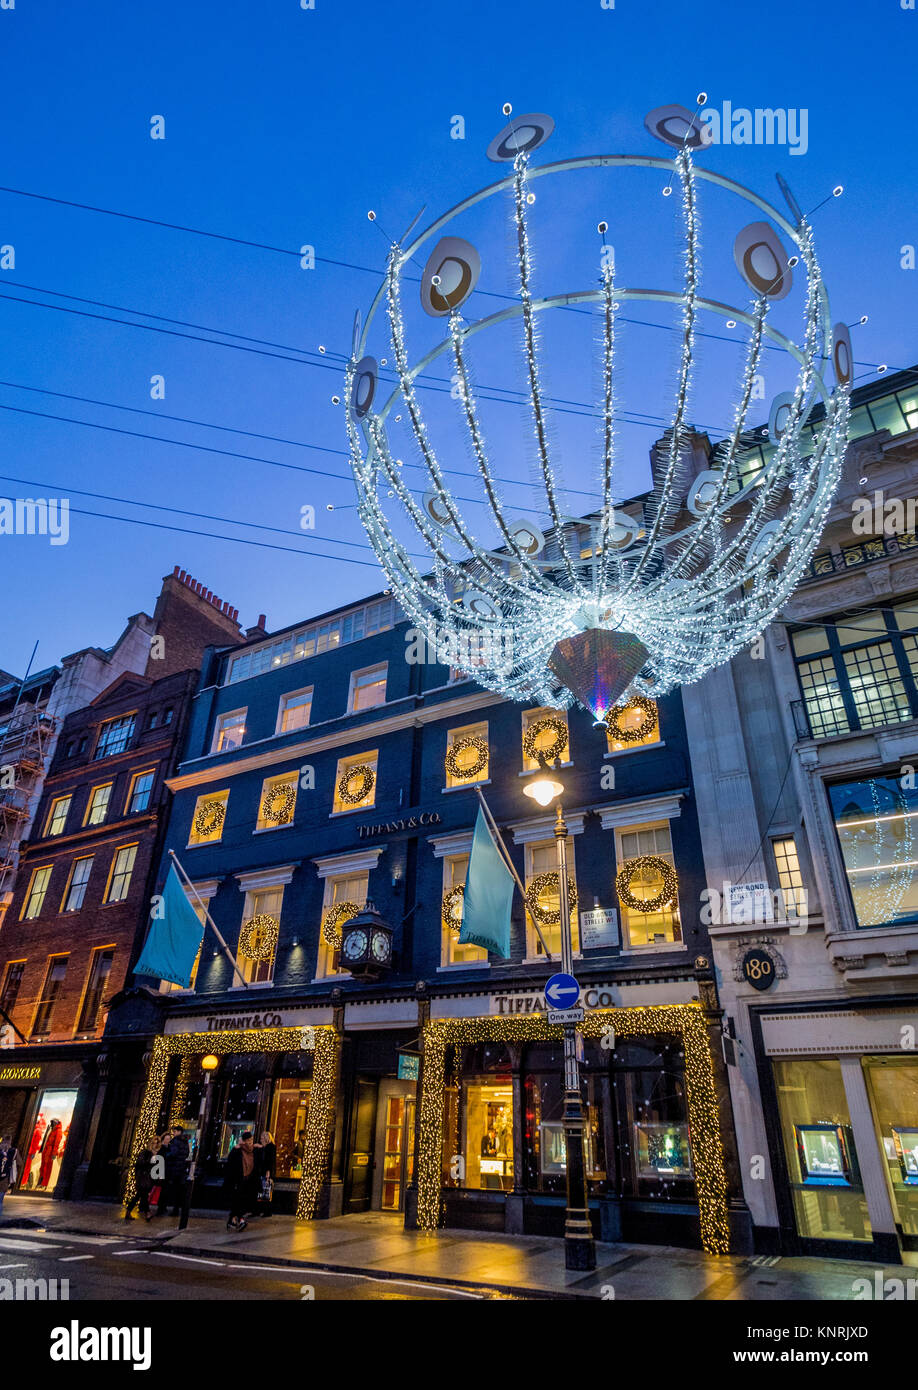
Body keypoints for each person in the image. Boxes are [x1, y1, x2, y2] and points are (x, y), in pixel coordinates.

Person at [224, 1131, 259, 1231]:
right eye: (248, 1140)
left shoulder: (254, 1150)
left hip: (248, 1180)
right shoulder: (238, 1150)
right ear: (244, 1141)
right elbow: (230, 1162)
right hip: (237, 1180)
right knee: (238, 1200)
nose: (250, 1142)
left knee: (240, 1200)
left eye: (251, 1140)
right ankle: (240, 1219)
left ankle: (232, 1220)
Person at [124, 1136, 161, 1221]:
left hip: (149, 1178)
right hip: (143, 1177)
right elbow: (140, 1163)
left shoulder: (155, 1154)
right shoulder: (145, 1152)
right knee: (143, 1195)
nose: (155, 1145)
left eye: (156, 1143)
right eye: (153, 1143)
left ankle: (128, 1212)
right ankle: (147, 1213)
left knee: (139, 1196)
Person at [162, 1125, 190, 1217]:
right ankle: (176, 1208)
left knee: (172, 1189)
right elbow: (186, 1154)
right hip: (181, 1168)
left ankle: (171, 1209)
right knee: (179, 1190)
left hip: (174, 1168)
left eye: (174, 1131)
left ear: (178, 1132)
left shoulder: (175, 1141)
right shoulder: (185, 1141)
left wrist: (166, 1155)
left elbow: (173, 1153)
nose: (173, 1133)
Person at [37, 1118, 63, 1190]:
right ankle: (41, 1183)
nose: (52, 1123)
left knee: (47, 1168)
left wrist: (54, 1153)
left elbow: (56, 1143)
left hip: (50, 1151)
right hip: (46, 1150)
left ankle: (44, 1184)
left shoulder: (58, 1131)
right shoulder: (52, 1129)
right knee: (43, 1166)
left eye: (53, 1122)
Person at [255, 1130, 276, 1218]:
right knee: (263, 1192)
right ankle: (262, 1210)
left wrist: (268, 1173)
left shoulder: (270, 1147)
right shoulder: (267, 1147)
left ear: (266, 1138)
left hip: (266, 1172)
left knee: (266, 1192)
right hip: (263, 1172)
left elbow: (270, 1161)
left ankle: (266, 1211)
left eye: (262, 1138)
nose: (260, 1140)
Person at [0, 1136, 21, 1214]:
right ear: (10, 1142)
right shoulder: (14, 1151)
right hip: (4, 1178)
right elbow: (20, 1163)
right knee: (0, 1199)